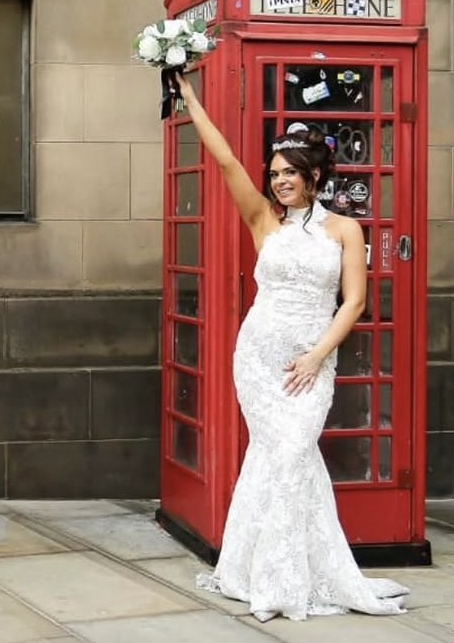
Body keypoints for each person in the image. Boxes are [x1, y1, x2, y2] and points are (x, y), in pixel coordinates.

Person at [173, 72, 407, 622]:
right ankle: (273, 579)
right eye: (274, 173)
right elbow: (225, 161)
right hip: (258, 358)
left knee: (290, 456)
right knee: (278, 456)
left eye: (289, 173)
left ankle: (274, 572)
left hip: (310, 362)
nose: (278, 182)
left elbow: (353, 302)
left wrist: (317, 356)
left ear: (314, 176)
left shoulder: (345, 229)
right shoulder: (264, 221)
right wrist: (189, 99)